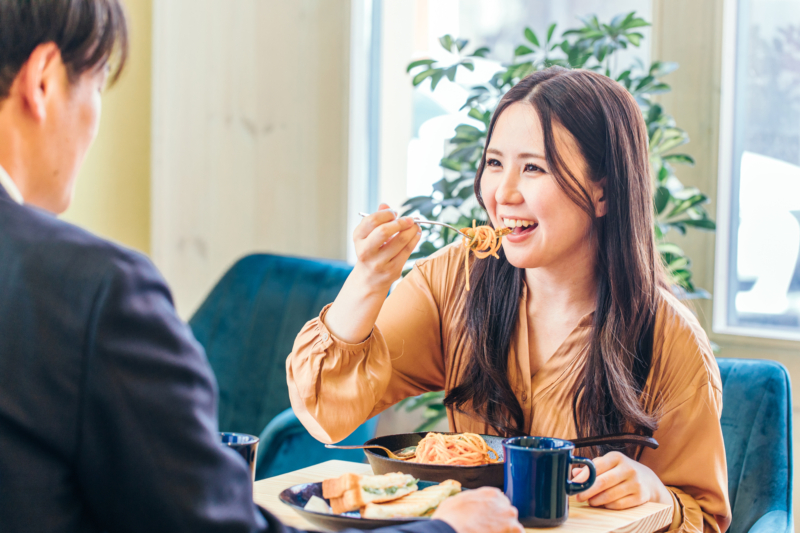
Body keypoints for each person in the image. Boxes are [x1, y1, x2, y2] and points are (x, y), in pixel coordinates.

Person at [0, 1, 524, 532]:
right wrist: (445, 528)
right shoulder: (95, 292)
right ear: (42, 83)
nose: (505, 193)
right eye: (96, 87)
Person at [288, 67, 733, 533]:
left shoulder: (669, 339)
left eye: (534, 168)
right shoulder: (455, 279)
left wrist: (656, 492)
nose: (502, 194)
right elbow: (325, 414)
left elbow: (706, 517)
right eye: (495, 163)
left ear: (603, 191)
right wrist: (368, 280)